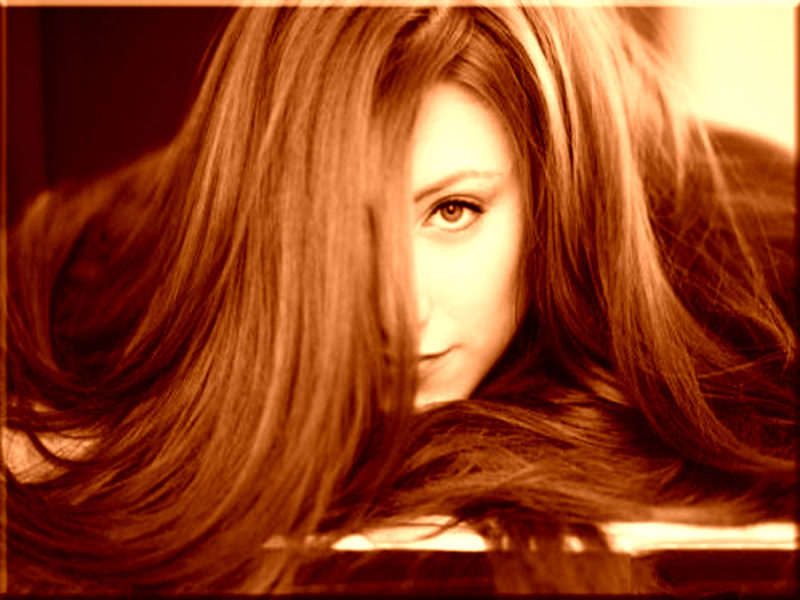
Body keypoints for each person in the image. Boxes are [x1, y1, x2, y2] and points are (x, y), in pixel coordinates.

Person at [5, 2, 796, 593]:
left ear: (558, 199)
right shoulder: (100, 277)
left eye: (454, 211)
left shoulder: (745, 282)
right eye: (340, 223)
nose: (398, 311)